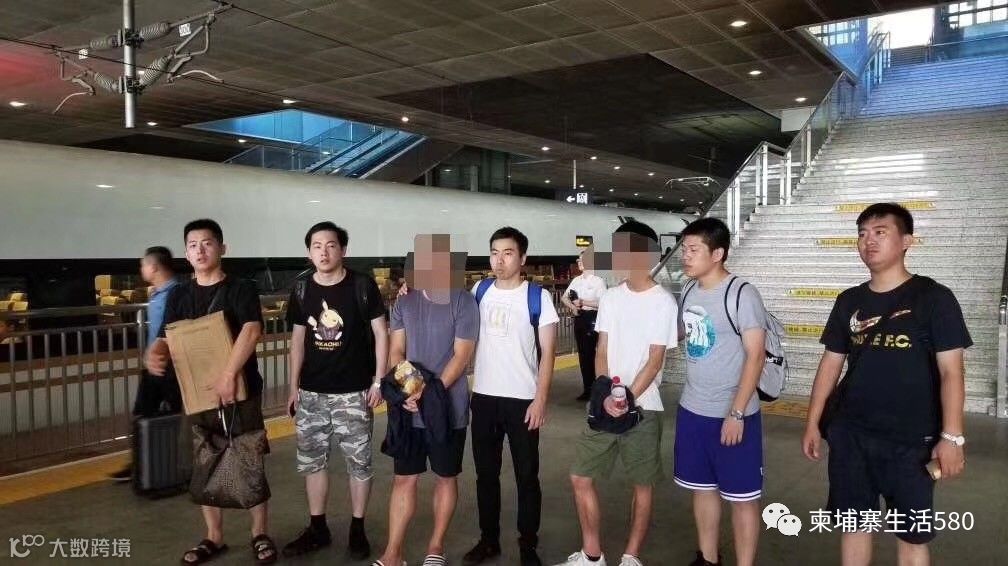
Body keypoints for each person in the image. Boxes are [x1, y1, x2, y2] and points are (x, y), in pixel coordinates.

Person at [802, 203, 970, 566]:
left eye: (880, 232)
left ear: (907, 241)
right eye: (862, 234)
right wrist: (813, 422)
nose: (869, 241)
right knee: (854, 526)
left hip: (911, 441)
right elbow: (830, 364)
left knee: (910, 535)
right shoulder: (849, 300)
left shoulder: (933, 298)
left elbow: (952, 372)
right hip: (851, 434)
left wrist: (952, 436)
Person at [146, 219, 277, 565]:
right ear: (186, 254)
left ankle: (259, 533)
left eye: (207, 243)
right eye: (193, 245)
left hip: (240, 391)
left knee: (248, 459)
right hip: (198, 394)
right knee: (203, 461)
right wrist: (154, 351)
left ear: (222, 248)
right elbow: (167, 335)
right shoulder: (179, 295)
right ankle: (214, 536)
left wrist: (229, 374)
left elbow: (251, 330)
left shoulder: (240, 289)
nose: (200, 250)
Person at [554, 220, 678, 566]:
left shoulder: (663, 302)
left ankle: (631, 556)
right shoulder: (610, 297)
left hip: (644, 407)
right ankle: (592, 554)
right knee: (580, 475)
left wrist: (626, 398)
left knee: (642, 483)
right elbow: (602, 350)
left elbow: (654, 360)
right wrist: (606, 394)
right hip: (605, 402)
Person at [282, 222, 389, 559]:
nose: (324, 252)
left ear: (343, 250)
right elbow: (298, 340)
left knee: (359, 463)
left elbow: (381, 334)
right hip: (311, 393)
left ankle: (358, 528)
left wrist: (378, 380)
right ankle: (318, 528)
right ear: (309, 252)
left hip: (353, 393)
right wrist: (293, 387)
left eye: (331, 245)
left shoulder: (362, 285)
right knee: (313, 462)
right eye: (317, 246)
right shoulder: (302, 289)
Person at [373, 234, 479, 566]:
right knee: (404, 478)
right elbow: (396, 350)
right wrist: (409, 389)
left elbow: (461, 356)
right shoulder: (404, 303)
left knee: (446, 476)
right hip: (408, 408)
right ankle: (393, 553)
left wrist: (427, 393)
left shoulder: (464, 302)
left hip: (448, 408)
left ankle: (435, 547)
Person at [462, 227, 558, 566]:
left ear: (522, 258)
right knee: (485, 475)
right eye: (494, 253)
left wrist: (540, 399)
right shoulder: (480, 290)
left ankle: (527, 543)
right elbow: (452, 315)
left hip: (522, 400)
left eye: (507, 253)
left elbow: (549, 352)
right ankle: (488, 540)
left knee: (526, 476)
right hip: (484, 398)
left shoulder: (538, 297)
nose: (499, 260)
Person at [675, 218, 767, 566]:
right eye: (684, 249)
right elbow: (682, 332)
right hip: (693, 409)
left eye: (693, 249)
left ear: (718, 254)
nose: (685, 256)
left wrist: (737, 413)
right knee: (703, 489)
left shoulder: (742, 293)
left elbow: (756, 355)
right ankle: (708, 558)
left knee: (743, 498)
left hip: (733, 414)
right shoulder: (689, 290)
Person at [110, 246, 180, 482]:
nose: (141, 269)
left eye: (143, 264)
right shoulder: (158, 293)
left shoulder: (177, 293)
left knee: (175, 415)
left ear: (154, 266)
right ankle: (140, 464)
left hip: (172, 367)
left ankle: (173, 464)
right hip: (155, 366)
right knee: (143, 413)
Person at [561, 247, 607, 401]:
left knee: (590, 354)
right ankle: (587, 389)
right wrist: (573, 307)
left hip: (592, 318)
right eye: (578, 260)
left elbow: (603, 303)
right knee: (582, 354)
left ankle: (596, 390)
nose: (579, 262)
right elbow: (564, 297)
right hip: (580, 317)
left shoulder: (598, 281)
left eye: (582, 260)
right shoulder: (576, 280)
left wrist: (582, 302)